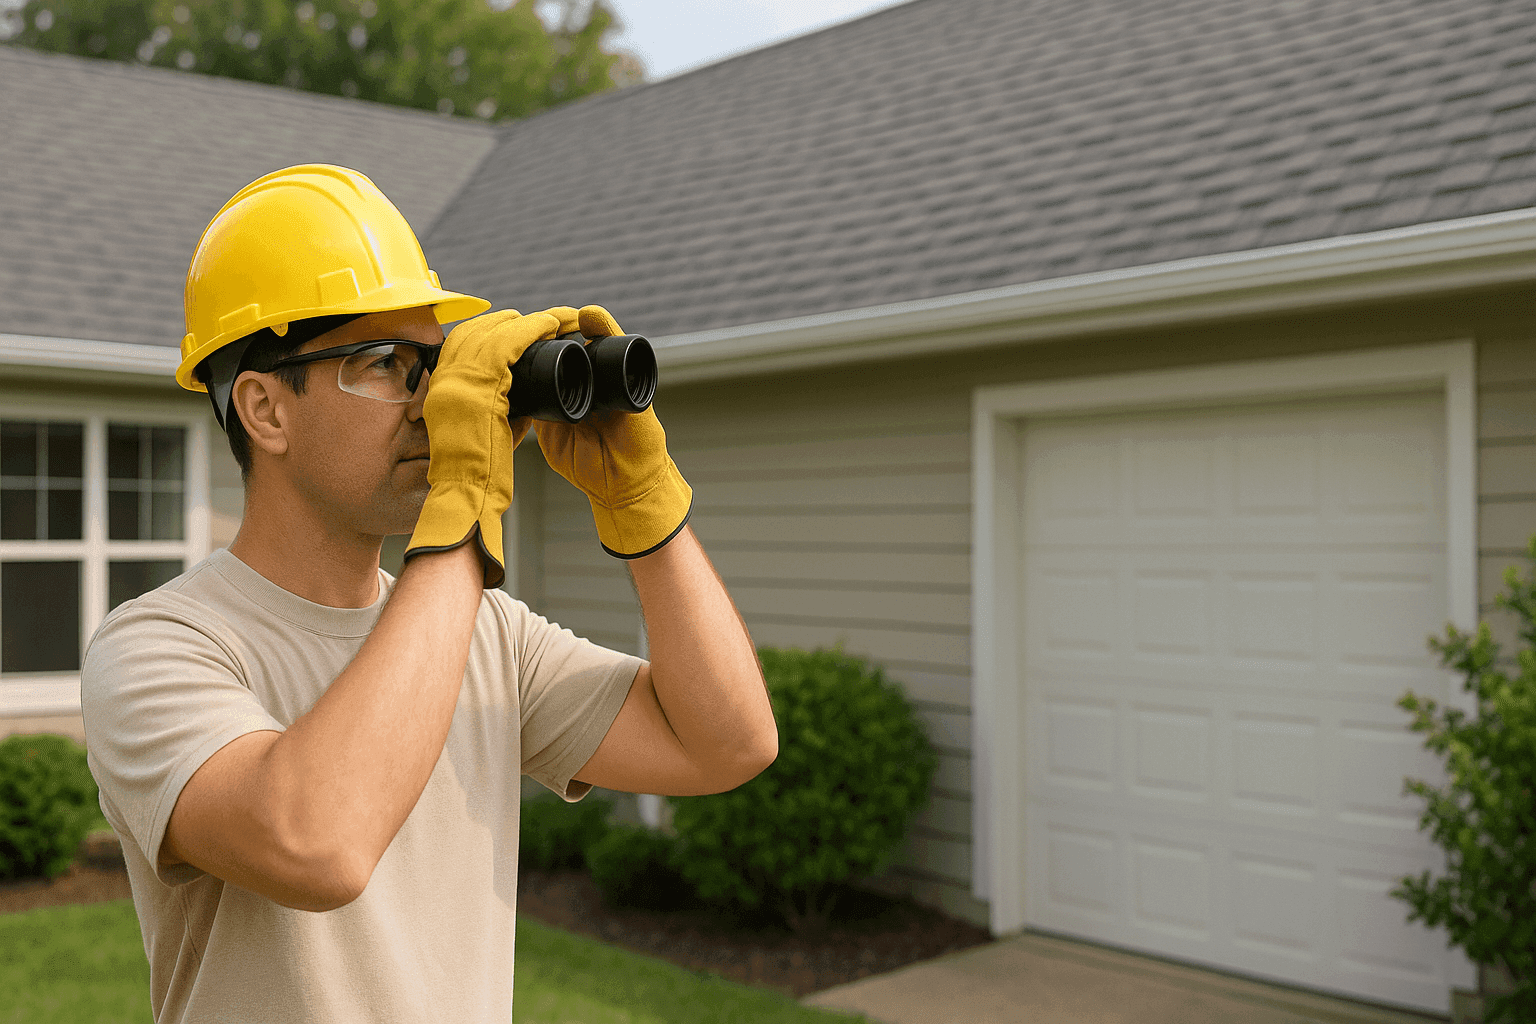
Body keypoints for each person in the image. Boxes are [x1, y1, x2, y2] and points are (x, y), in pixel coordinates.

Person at [80, 164, 777, 1023]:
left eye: (439, 366)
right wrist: (465, 501)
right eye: (386, 364)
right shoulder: (157, 646)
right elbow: (316, 845)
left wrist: (642, 501)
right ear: (265, 410)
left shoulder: (484, 632)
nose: (431, 404)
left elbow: (727, 744)